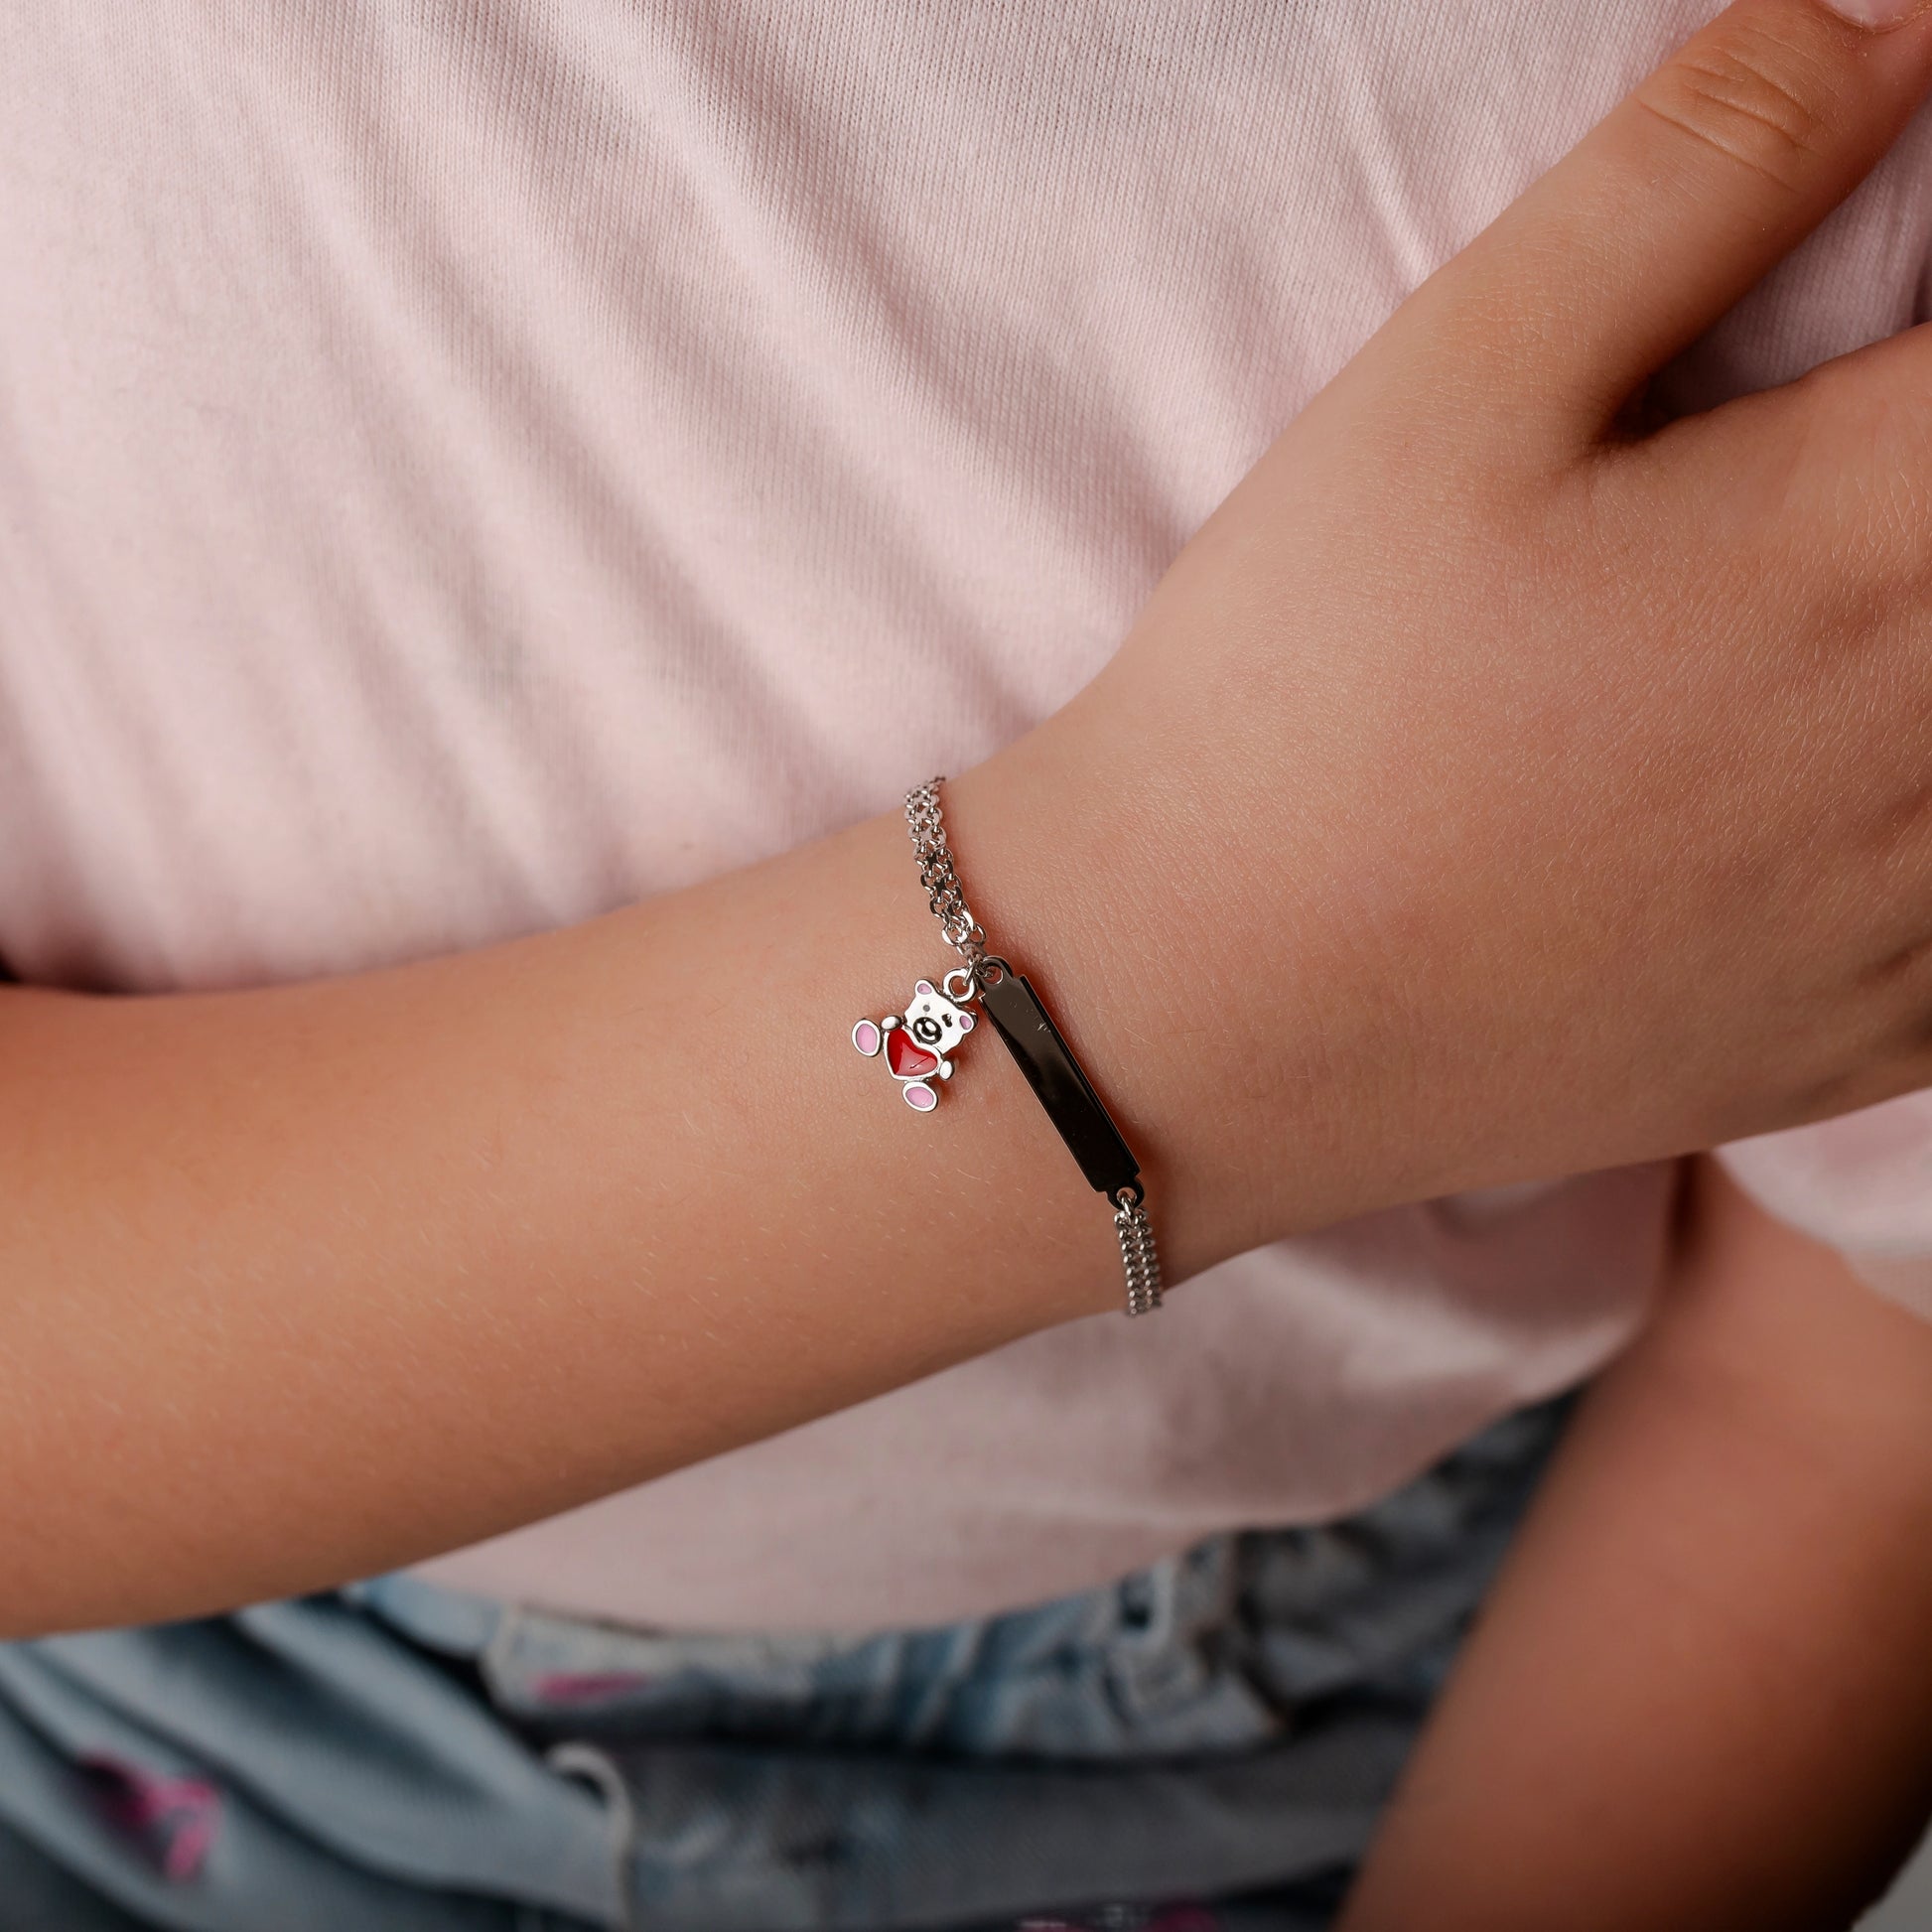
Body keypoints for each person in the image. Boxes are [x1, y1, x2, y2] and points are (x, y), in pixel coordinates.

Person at [5, 0, 1932, 1924]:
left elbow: (1853, 1359)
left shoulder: (1798, 115)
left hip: (1317, 1728)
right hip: (134, 1661)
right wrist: (1174, 975)